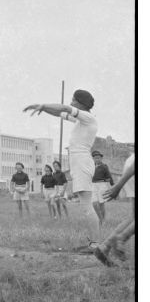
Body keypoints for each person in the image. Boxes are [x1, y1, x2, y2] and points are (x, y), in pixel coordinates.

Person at [23, 89, 100, 248]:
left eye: (73, 100)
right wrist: (43, 108)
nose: (70, 103)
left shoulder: (88, 117)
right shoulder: (82, 120)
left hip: (82, 162)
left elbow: (64, 108)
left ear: (80, 103)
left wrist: (43, 104)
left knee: (86, 204)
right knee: (85, 204)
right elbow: (60, 114)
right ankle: (94, 242)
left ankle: (96, 244)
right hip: (79, 162)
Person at [94, 153, 135, 267]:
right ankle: (121, 238)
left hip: (130, 166)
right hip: (133, 168)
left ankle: (105, 247)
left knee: (134, 217)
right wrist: (118, 186)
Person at [91, 150, 114, 236]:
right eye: (95, 158)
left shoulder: (104, 166)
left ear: (101, 158)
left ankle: (102, 221)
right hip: (93, 185)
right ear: (93, 158)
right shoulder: (91, 166)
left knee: (101, 204)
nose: (97, 159)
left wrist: (112, 186)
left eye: (98, 157)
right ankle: (100, 219)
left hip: (102, 185)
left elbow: (109, 177)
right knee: (94, 203)